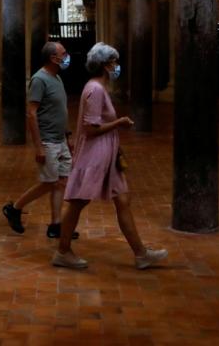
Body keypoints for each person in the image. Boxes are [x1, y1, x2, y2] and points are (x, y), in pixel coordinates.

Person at [51, 42, 168, 270]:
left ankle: (141, 254)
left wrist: (117, 145)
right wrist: (119, 123)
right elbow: (91, 129)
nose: (117, 66)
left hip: (107, 154)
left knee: (123, 200)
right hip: (94, 155)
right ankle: (63, 251)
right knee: (77, 202)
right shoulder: (95, 90)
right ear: (105, 65)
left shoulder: (99, 88)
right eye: (114, 62)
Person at [2, 42, 79, 239]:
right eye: (63, 53)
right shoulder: (39, 80)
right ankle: (15, 208)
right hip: (48, 141)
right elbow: (31, 113)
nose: (67, 56)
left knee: (61, 182)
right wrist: (39, 146)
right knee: (48, 182)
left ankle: (56, 225)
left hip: (60, 139)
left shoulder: (57, 77)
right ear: (54, 58)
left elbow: (59, 111)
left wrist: (67, 135)